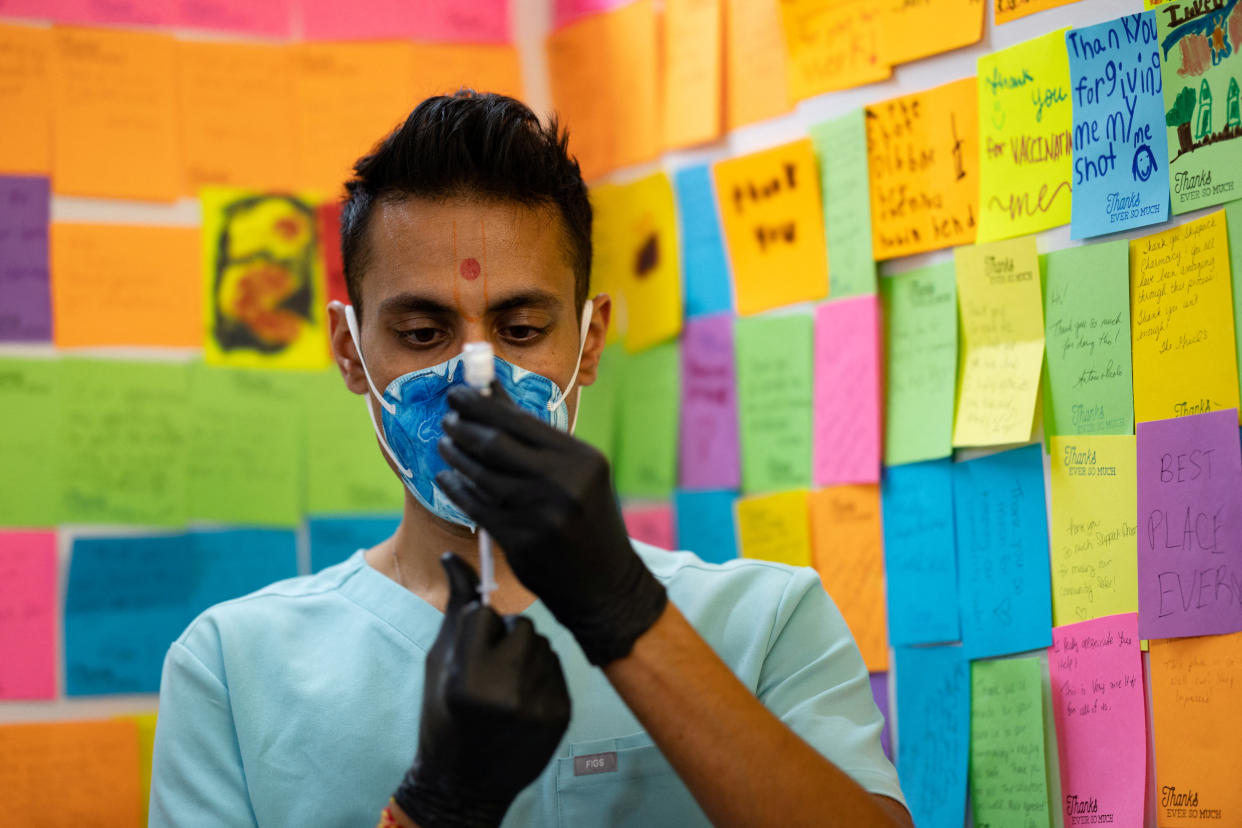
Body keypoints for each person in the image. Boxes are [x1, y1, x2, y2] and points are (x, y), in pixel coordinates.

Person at [149, 91, 910, 828]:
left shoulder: (764, 624)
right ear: (351, 351)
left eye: (519, 330)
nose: (474, 378)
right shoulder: (232, 668)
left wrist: (627, 617)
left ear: (590, 342)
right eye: (422, 334)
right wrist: (435, 808)